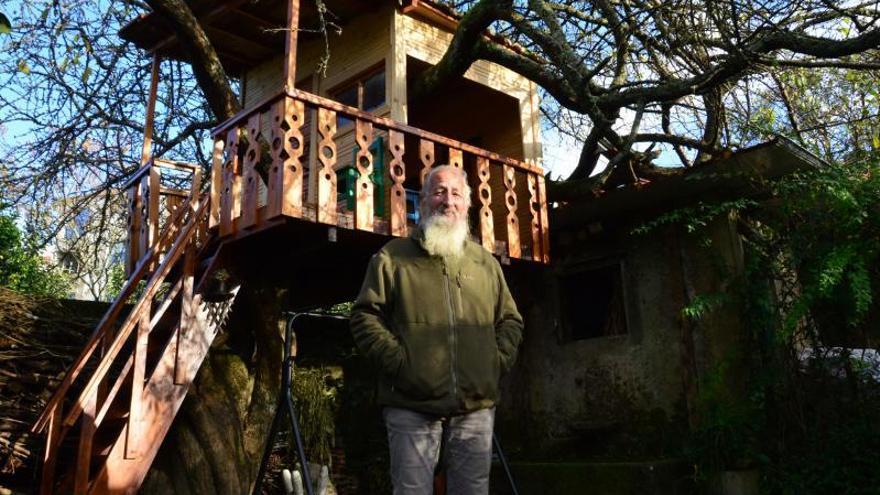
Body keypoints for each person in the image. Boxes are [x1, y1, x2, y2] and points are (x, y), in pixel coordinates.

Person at [350, 165, 523, 495]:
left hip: (475, 409)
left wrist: (493, 362)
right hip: (410, 407)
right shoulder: (392, 257)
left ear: (468, 204)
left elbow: (511, 320)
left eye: (456, 193)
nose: (448, 201)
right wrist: (401, 365)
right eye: (440, 191)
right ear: (425, 200)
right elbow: (364, 316)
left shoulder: (485, 263)